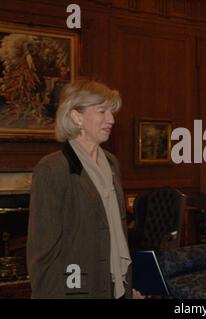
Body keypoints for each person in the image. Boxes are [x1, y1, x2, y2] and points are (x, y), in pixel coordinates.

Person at [27, 80, 132, 298]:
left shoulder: (112, 163)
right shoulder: (52, 169)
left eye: (111, 112)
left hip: (113, 281)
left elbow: (116, 229)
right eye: (102, 111)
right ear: (76, 117)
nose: (111, 120)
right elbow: (43, 251)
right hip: (75, 286)